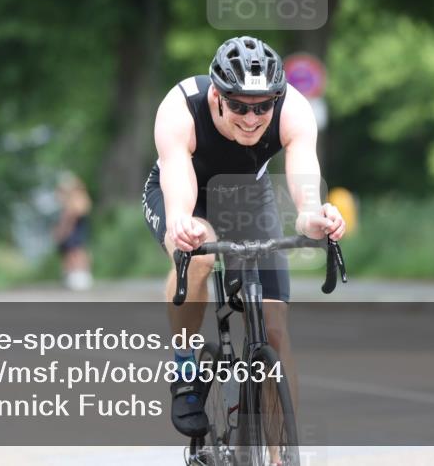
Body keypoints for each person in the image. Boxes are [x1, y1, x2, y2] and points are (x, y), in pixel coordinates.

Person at [141, 36, 346, 441]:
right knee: (197, 254)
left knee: (274, 330)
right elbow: (178, 181)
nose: (251, 118)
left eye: (262, 107)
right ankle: (184, 367)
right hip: (185, 192)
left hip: (248, 196)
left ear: (277, 97)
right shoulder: (181, 107)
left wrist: (314, 216)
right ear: (217, 95)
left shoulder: (293, 109)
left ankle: (277, 451)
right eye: (238, 106)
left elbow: (305, 187)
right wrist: (183, 221)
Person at [52, 172, 93, 290]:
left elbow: (71, 217)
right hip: (75, 229)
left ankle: (79, 276)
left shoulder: (78, 199)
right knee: (72, 252)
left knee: (75, 252)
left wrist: (63, 231)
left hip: (75, 230)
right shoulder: (76, 199)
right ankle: (74, 276)